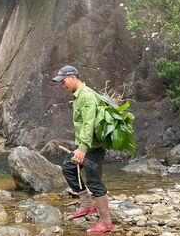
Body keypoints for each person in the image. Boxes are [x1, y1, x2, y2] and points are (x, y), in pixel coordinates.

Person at [52, 65, 114, 234]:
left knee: (94, 181)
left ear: (72, 77)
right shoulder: (77, 96)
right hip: (84, 146)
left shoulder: (86, 96)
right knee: (69, 168)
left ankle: (106, 223)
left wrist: (83, 149)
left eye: (63, 81)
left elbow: (89, 123)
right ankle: (87, 205)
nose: (62, 85)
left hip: (92, 147)